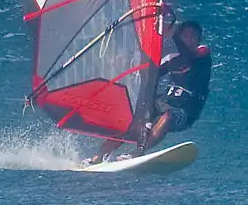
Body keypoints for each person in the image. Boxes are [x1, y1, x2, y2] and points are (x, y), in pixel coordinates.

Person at [86, 21, 212, 164]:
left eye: (194, 37)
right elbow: (150, 74)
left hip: (186, 112)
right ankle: (98, 156)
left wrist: (172, 33)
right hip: (165, 103)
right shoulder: (173, 61)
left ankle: (138, 152)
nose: (190, 40)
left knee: (168, 116)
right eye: (186, 36)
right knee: (133, 120)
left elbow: (187, 56)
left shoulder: (203, 53)